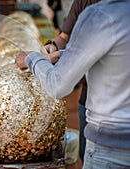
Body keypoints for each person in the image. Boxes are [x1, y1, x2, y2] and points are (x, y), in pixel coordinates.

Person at [16, 0, 130, 168]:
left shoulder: (99, 16)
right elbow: (114, 56)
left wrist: (31, 58)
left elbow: (57, 85)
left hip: (109, 147)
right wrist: (63, 54)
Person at [42, 0, 100, 162]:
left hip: (116, 108)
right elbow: (64, 37)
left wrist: (58, 56)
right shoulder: (83, 2)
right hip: (88, 98)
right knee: (86, 153)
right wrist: (52, 46)